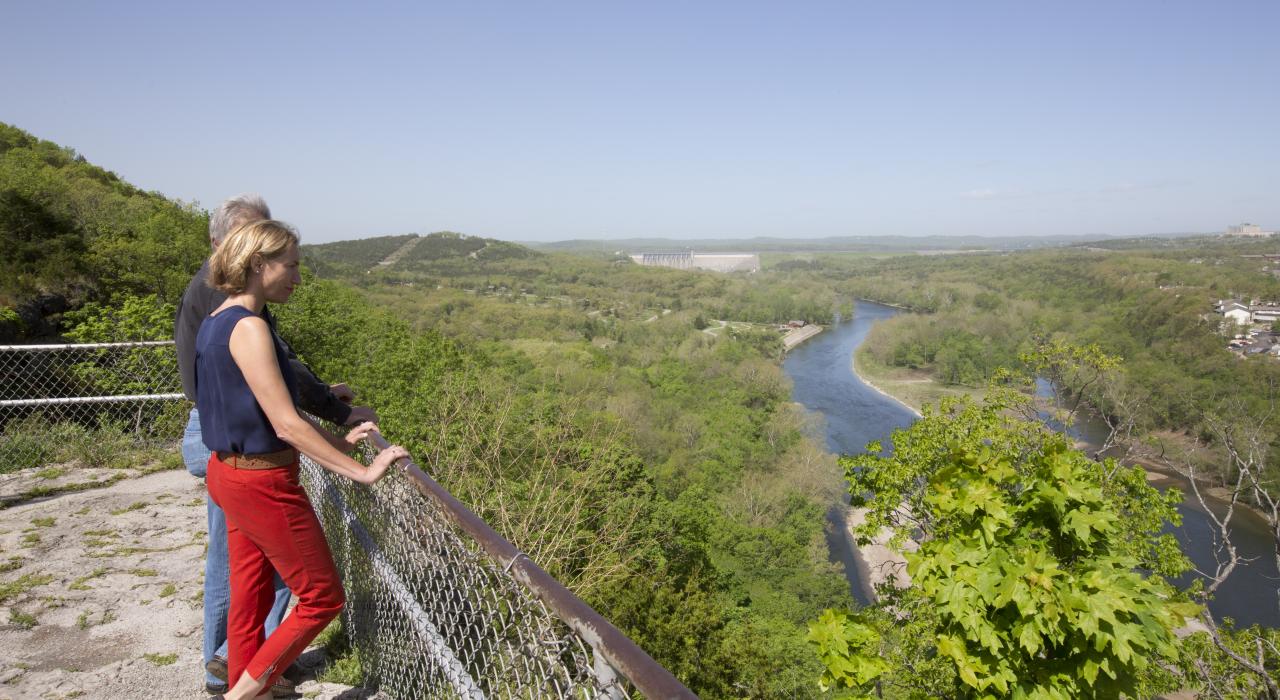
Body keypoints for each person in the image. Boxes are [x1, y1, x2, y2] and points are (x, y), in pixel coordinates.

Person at [195, 219, 408, 700]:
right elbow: (286, 424)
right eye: (290, 265)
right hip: (262, 482)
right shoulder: (250, 328)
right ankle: (242, 694)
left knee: (251, 597)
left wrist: (338, 443)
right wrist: (363, 471)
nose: (297, 276)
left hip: (228, 473)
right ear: (257, 263)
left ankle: (246, 685)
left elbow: (262, 411)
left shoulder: (216, 320)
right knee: (321, 597)